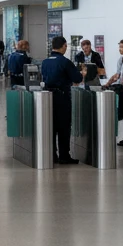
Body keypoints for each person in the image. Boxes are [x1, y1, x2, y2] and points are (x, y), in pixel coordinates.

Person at [40, 35, 82, 164]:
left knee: (51, 126)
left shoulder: (45, 62)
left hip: (47, 97)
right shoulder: (65, 62)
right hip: (62, 97)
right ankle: (64, 155)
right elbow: (77, 78)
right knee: (63, 126)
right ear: (64, 46)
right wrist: (82, 74)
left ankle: (52, 154)